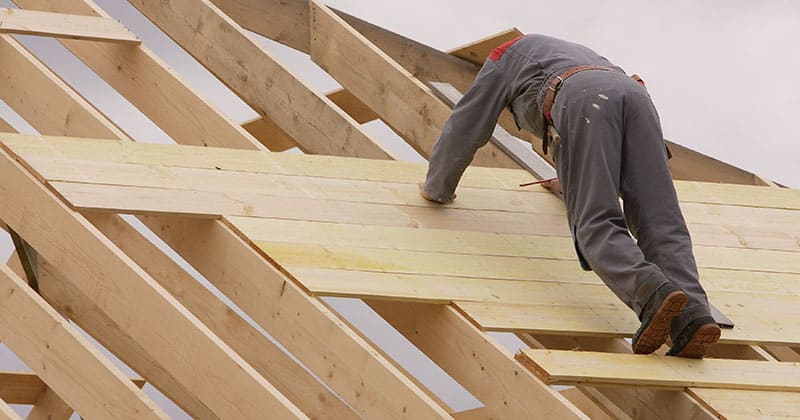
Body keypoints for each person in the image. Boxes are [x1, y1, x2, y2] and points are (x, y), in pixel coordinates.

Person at [420, 34, 721, 358]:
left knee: (595, 224)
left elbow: (466, 125)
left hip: (585, 100)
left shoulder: (502, 57)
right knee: (661, 221)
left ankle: (650, 292)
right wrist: (571, 179)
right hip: (635, 96)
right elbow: (610, 154)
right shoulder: (570, 51)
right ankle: (692, 316)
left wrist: (437, 188)